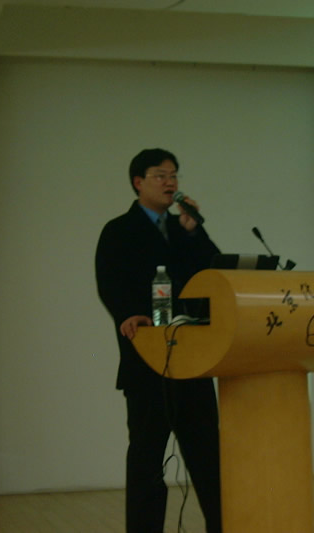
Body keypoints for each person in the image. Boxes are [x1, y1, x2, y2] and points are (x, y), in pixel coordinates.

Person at [95, 148, 222, 533]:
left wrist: (194, 231)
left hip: (194, 358)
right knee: (147, 460)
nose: (170, 182)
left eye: (174, 175)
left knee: (209, 458)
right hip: (146, 360)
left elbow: (215, 272)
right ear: (138, 182)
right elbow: (110, 283)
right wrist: (127, 314)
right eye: (161, 175)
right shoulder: (118, 230)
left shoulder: (185, 229)